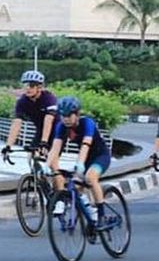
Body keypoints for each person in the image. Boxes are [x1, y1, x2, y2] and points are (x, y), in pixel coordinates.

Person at [47, 96, 111, 229]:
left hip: (100, 156)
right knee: (76, 189)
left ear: (77, 114)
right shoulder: (61, 127)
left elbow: (85, 145)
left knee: (90, 177)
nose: (66, 119)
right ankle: (91, 215)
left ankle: (101, 215)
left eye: (69, 115)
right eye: (63, 115)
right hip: (86, 159)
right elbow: (55, 148)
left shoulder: (87, 123)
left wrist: (80, 164)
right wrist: (47, 165)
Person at [2, 70, 57, 160]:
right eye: (25, 85)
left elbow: (48, 120)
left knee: (50, 160)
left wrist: (44, 142)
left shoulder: (48, 98)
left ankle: (56, 173)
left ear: (39, 87)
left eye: (31, 86)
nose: (28, 88)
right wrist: (8, 146)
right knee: (31, 156)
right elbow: (16, 124)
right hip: (41, 130)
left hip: (57, 130)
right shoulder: (22, 101)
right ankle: (37, 174)